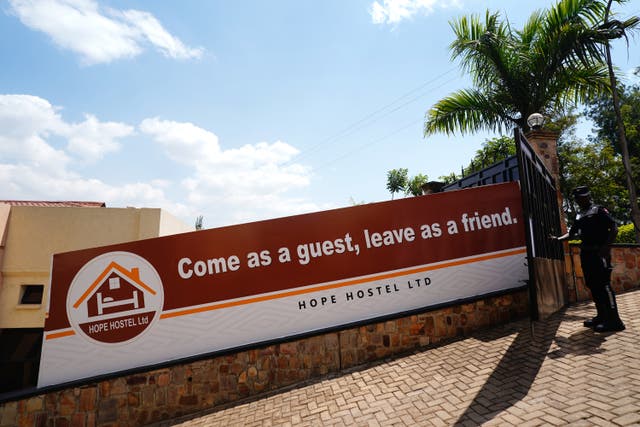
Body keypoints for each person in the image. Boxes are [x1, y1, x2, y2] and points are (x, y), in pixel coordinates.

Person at [550, 185, 625, 332]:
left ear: (588, 196)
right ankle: (601, 316)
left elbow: (614, 228)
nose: (579, 200)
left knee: (604, 285)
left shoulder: (598, 210)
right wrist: (558, 239)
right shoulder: (579, 215)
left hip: (599, 254)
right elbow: (572, 234)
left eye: (582, 197)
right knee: (593, 285)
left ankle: (615, 320)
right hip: (587, 254)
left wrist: (606, 247)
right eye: (577, 198)